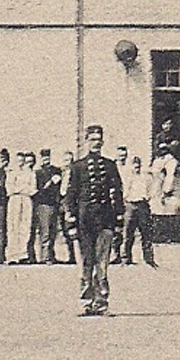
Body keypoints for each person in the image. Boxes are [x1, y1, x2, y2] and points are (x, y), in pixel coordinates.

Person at [65, 125, 126, 317]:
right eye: (92, 139)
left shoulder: (110, 165)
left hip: (105, 219)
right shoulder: (78, 166)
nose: (96, 142)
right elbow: (71, 196)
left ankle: (102, 302)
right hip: (85, 220)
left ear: (103, 142)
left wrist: (118, 220)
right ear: (86, 141)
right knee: (86, 261)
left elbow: (117, 193)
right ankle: (86, 302)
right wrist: (71, 222)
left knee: (102, 263)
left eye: (99, 139)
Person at [121, 155, 158, 267]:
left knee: (146, 232)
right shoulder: (127, 177)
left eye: (138, 166)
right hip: (130, 206)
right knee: (128, 233)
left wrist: (147, 197)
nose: (136, 168)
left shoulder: (145, 177)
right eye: (134, 166)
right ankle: (126, 258)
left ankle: (148, 259)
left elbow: (152, 189)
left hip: (142, 206)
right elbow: (124, 191)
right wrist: (126, 199)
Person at [30, 149, 62, 264]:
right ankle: (45, 256)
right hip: (43, 204)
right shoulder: (38, 173)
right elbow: (37, 190)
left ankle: (51, 255)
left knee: (53, 231)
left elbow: (58, 183)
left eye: (47, 157)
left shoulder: (55, 170)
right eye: (44, 157)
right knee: (45, 231)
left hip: (54, 203)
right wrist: (47, 186)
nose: (46, 159)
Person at [6, 151, 37, 264]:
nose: (20, 163)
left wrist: (20, 188)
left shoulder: (30, 173)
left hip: (26, 200)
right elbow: (9, 189)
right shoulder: (11, 172)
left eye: (22, 161)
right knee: (13, 226)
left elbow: (33, 189)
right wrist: (23, 188)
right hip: (14, 199)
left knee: (25, 226)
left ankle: (23, 254)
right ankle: (12, 255)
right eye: (18, 161)